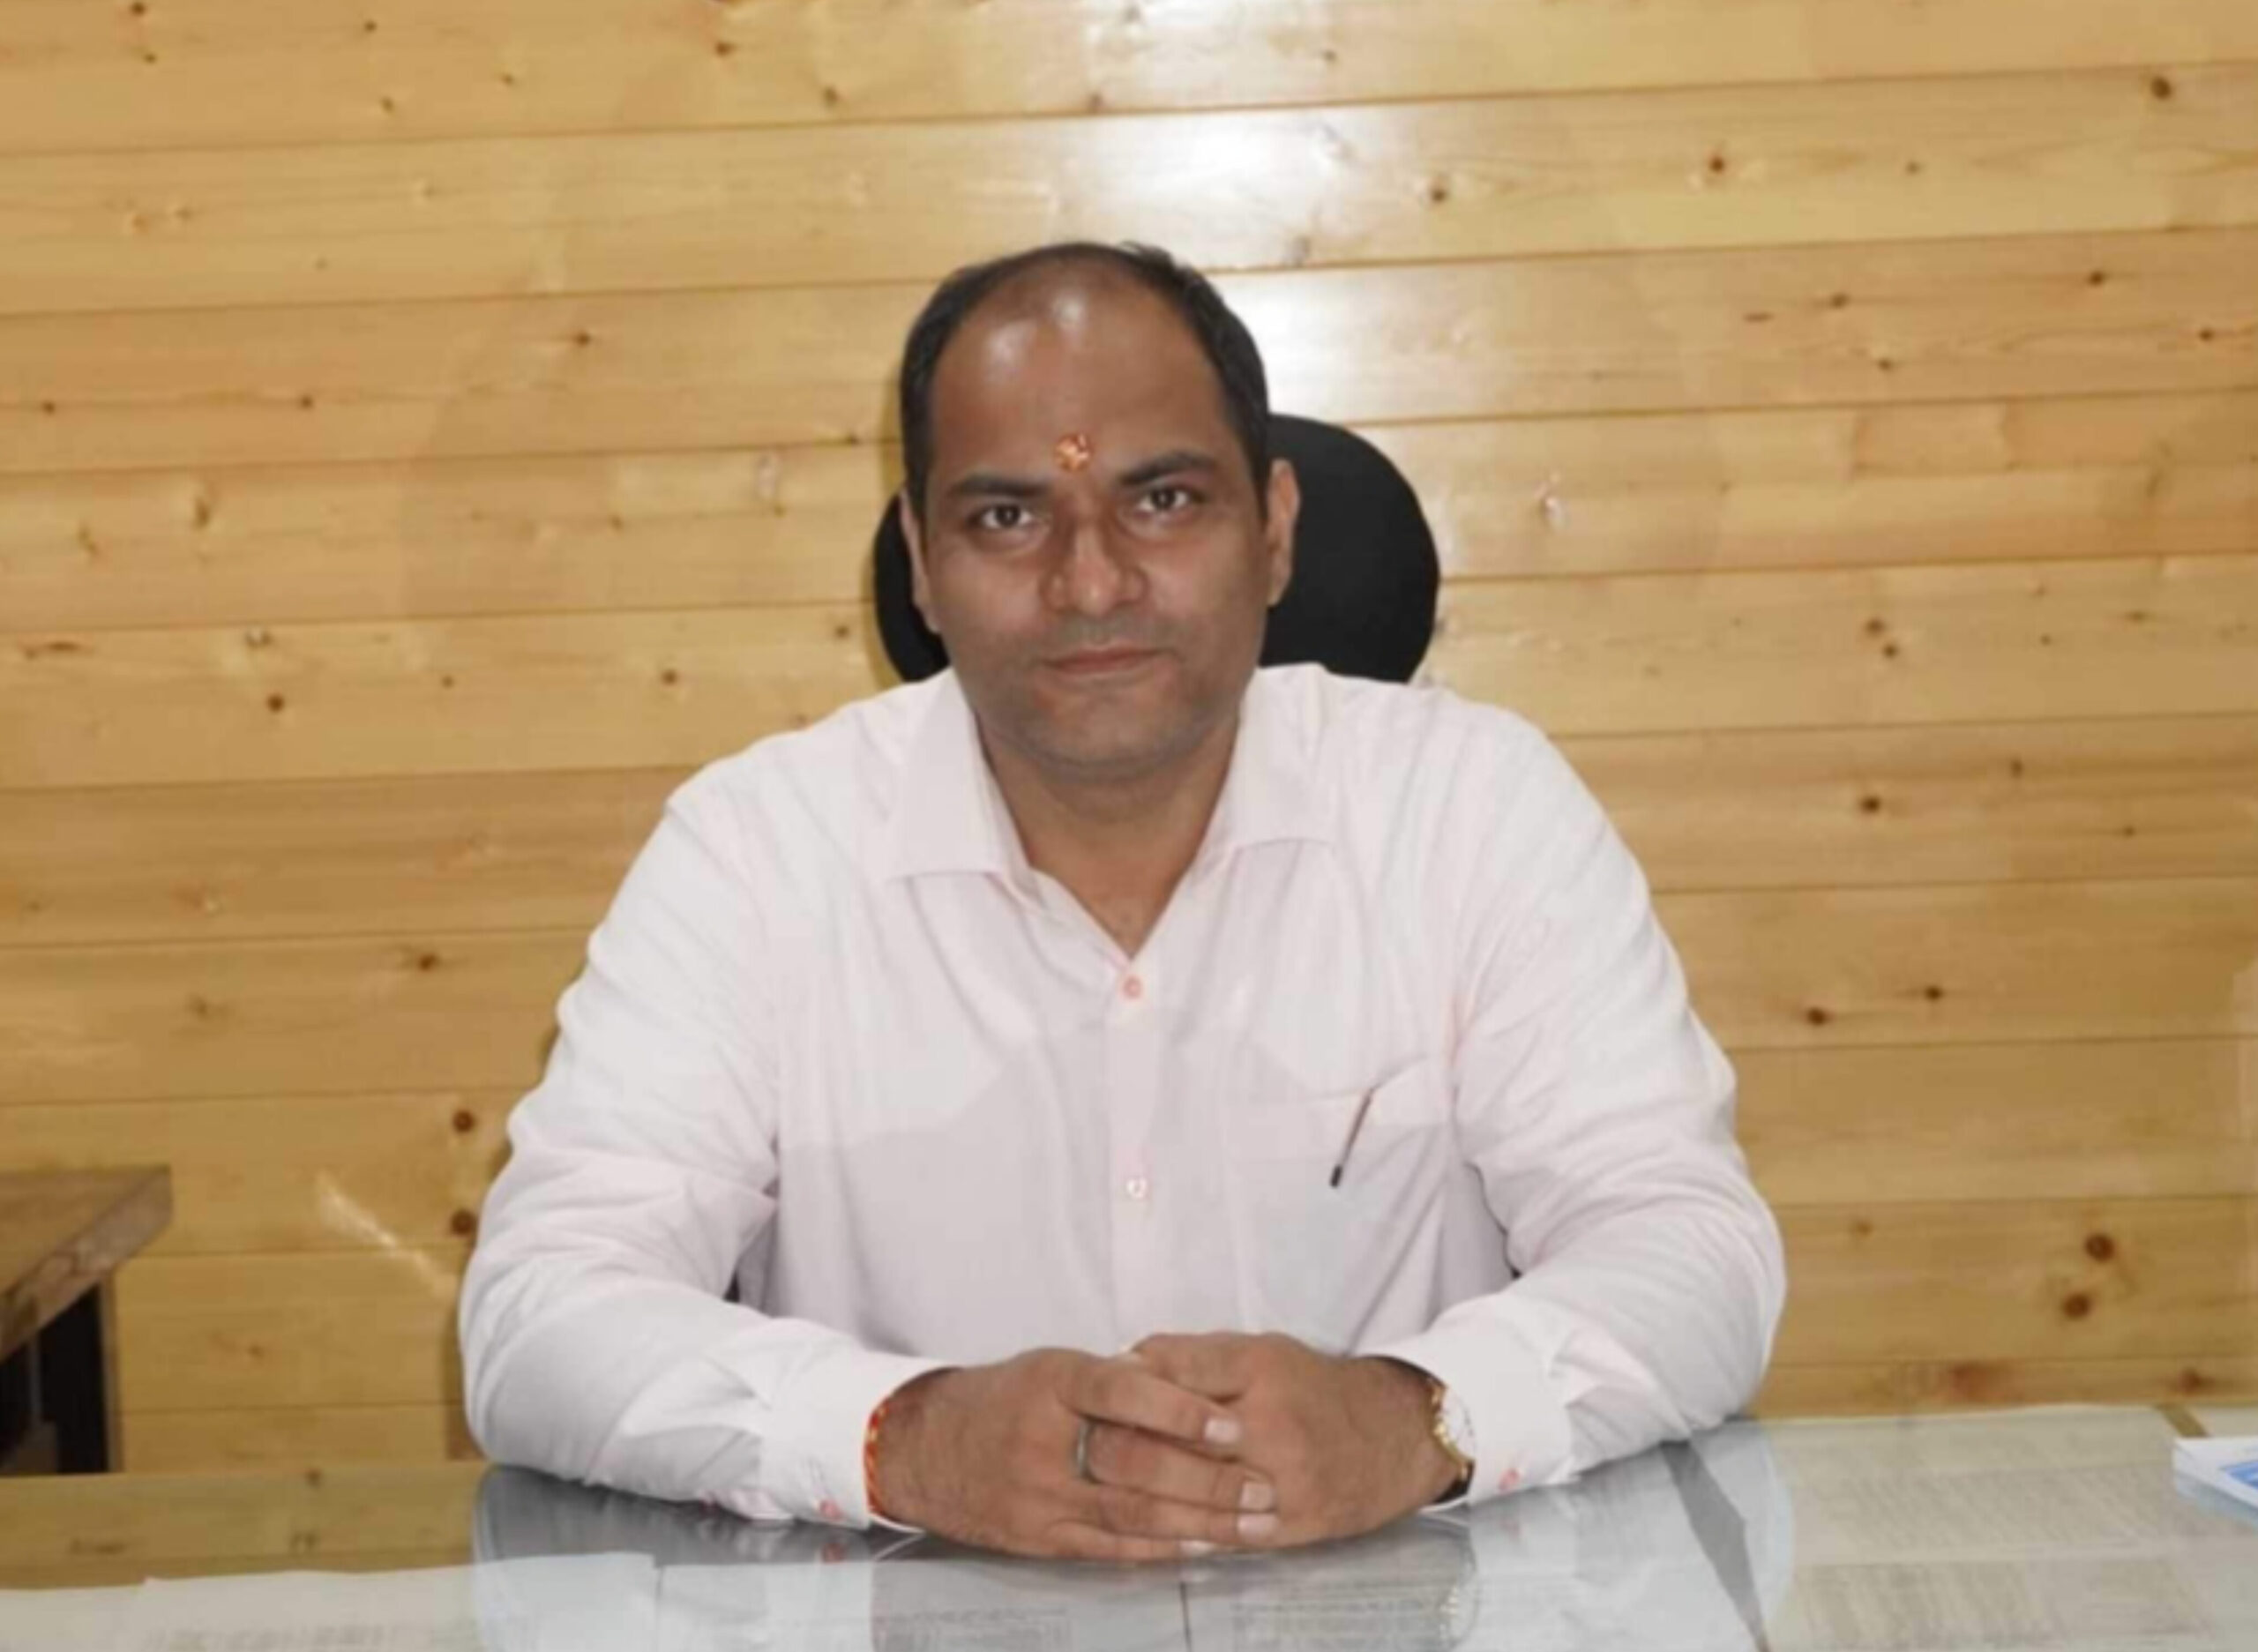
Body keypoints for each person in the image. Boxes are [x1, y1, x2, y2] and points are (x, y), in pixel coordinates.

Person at [460, 241, 1785, 1563]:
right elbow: (542, 1311)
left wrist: (1417, 1415)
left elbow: (1689, 1246)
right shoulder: (758, 852)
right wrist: (903, 1440)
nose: (1089, 584)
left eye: (1162, 500)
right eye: (1006, 518)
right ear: (920, 560)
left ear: (1275, 529)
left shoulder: (1471, 810)